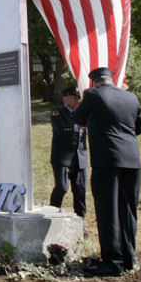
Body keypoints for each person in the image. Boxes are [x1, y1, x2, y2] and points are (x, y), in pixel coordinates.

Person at [74, 67, 141, 277]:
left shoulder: (93, 95)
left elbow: (78, 117)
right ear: (111, 79)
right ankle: (128, 257)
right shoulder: (131, 97)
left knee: (108, 211)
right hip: (132, 160)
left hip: (107, 160)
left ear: (94, 82)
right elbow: (138, 128)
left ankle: (112, 261)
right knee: (128, 210)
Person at [48, 87, 87, 218]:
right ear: (66, 99)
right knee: (62, 187)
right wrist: (76, 127)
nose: (77, 100)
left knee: (80, 190)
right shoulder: (58, 112)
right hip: (63, 157)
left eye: (78, 98)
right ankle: (52, 213)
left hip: (79, 157)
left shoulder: (81, 113)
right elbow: (59, 129)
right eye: (74, 97)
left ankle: (80, 220)